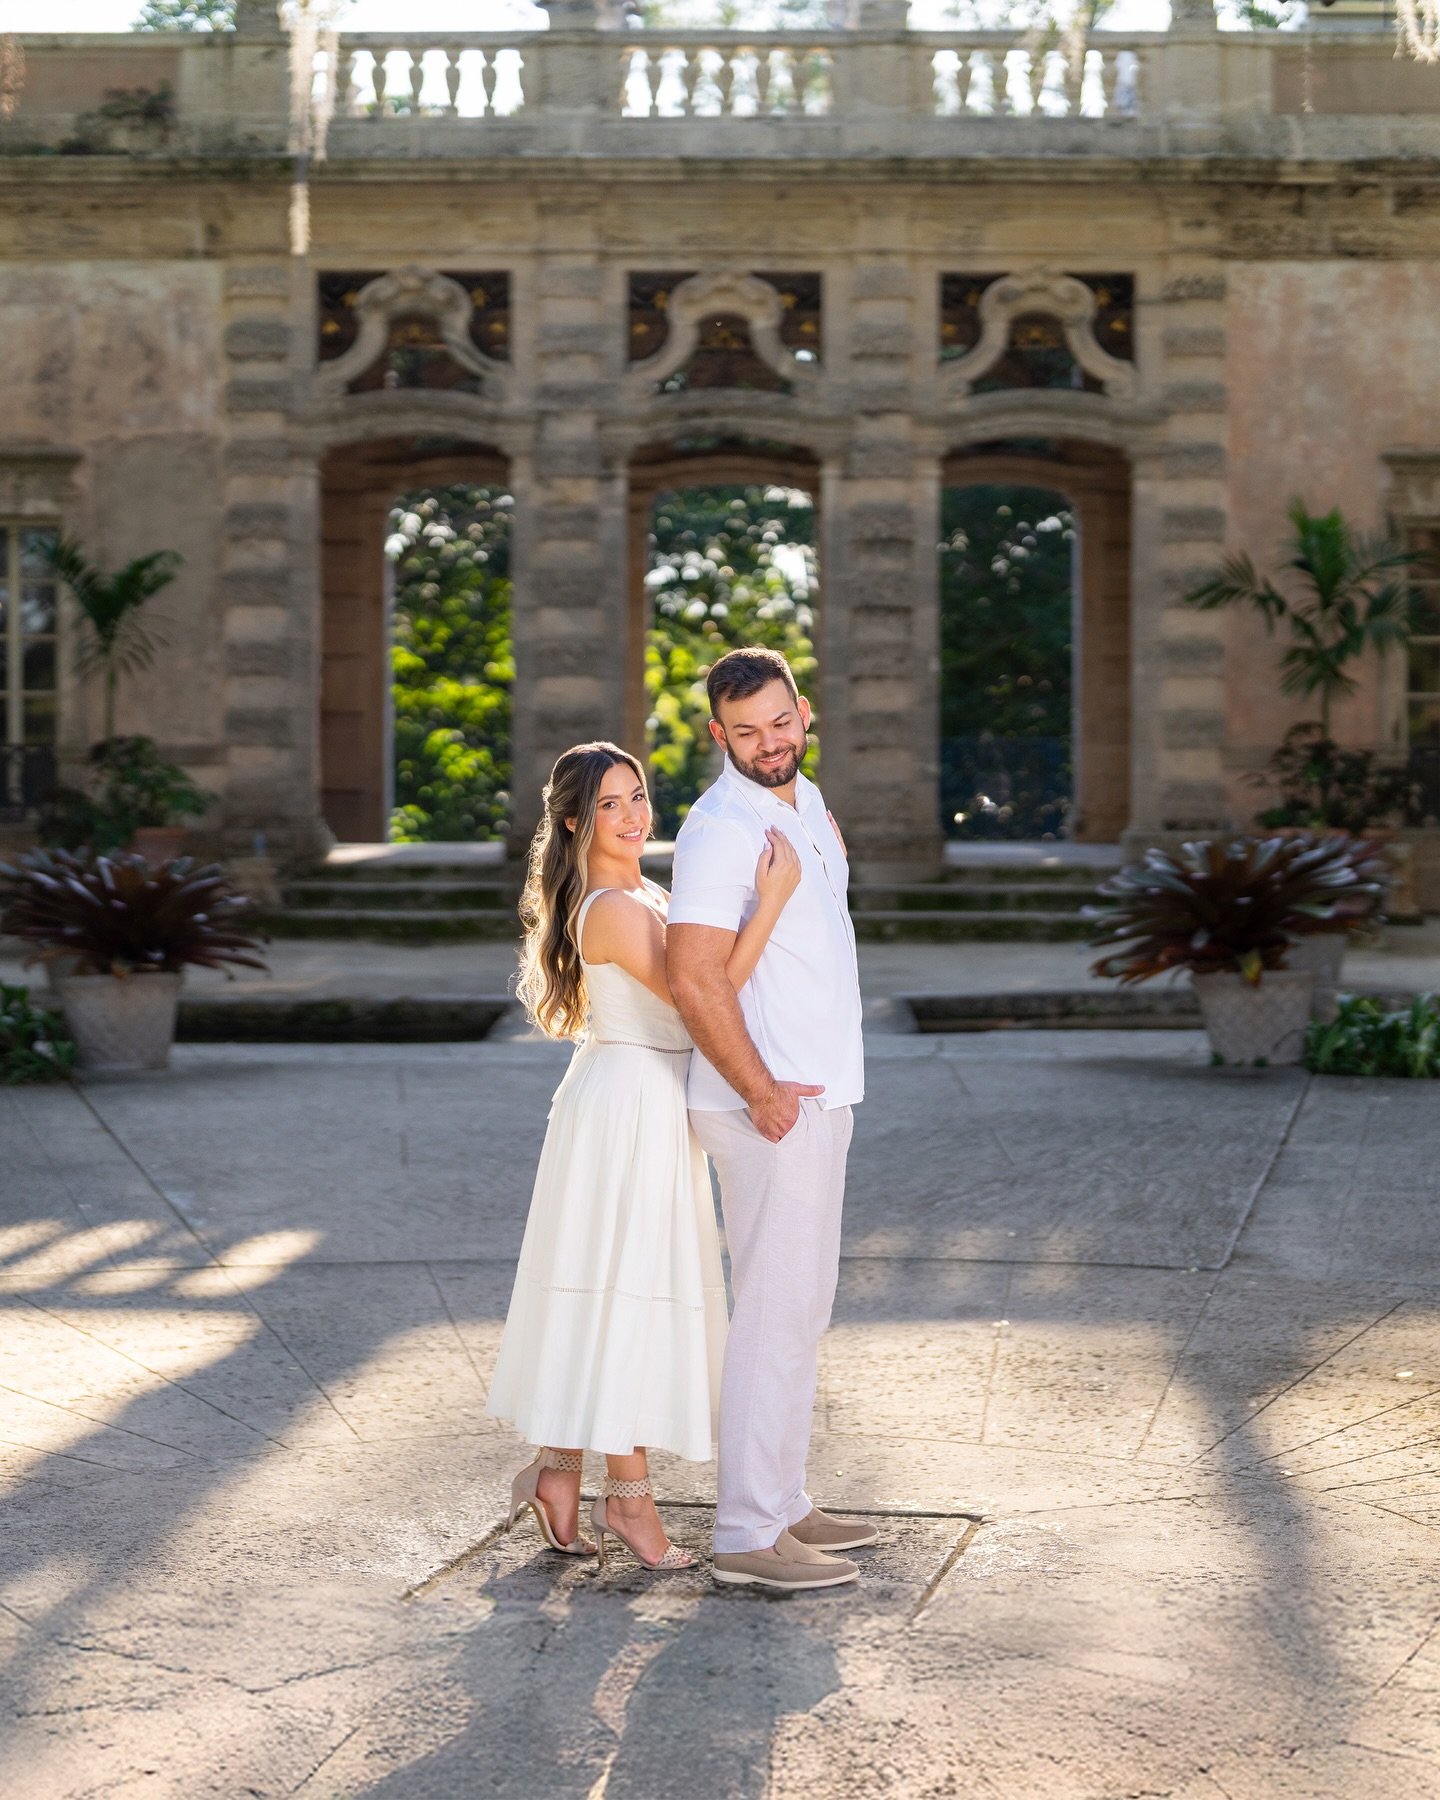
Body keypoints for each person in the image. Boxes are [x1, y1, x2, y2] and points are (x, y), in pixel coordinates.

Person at [486, 740, 801, 1573]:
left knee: (609, 1288)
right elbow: (708, 994)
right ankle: (628, 1500)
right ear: (573, 820)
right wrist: (771, 900)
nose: (635, 815)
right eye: (613, 804)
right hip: (627, 1107)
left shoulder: (641, 891)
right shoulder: (618, 910)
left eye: (639, 796)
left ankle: (556, 1477)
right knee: (628, 1294)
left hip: (642, 1100)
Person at [666, 647, 873, 1593]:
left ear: (803, 713)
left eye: (779, 723)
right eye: (744, 732)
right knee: (772, 1313)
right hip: (767, 1102)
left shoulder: (806, 802)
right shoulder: (718, 830)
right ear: (718, 735)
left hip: (817, 1091)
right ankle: (747, 1534)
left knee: (803, 1307)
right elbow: (694, 976)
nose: (767, 744)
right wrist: (758, 1090)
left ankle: (786, 1503)